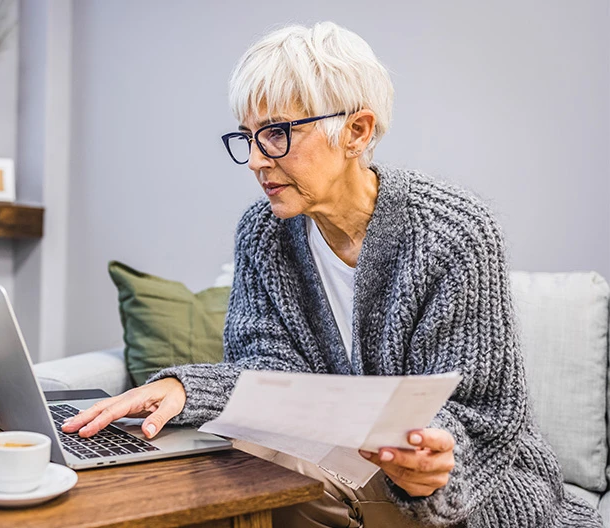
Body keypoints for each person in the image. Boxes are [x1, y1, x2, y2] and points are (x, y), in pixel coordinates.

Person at [62, 22, 601, 527]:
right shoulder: (264, 234)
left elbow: (481, 411)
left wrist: (433, 458)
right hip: (333, 471)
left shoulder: (452, 233)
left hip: (471, 489)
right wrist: (187, 388)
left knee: (270, 477)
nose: (254, 159)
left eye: (275, 134)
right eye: (247, 137)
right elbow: (271, 378)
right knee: (237, 463)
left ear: (357, 131)